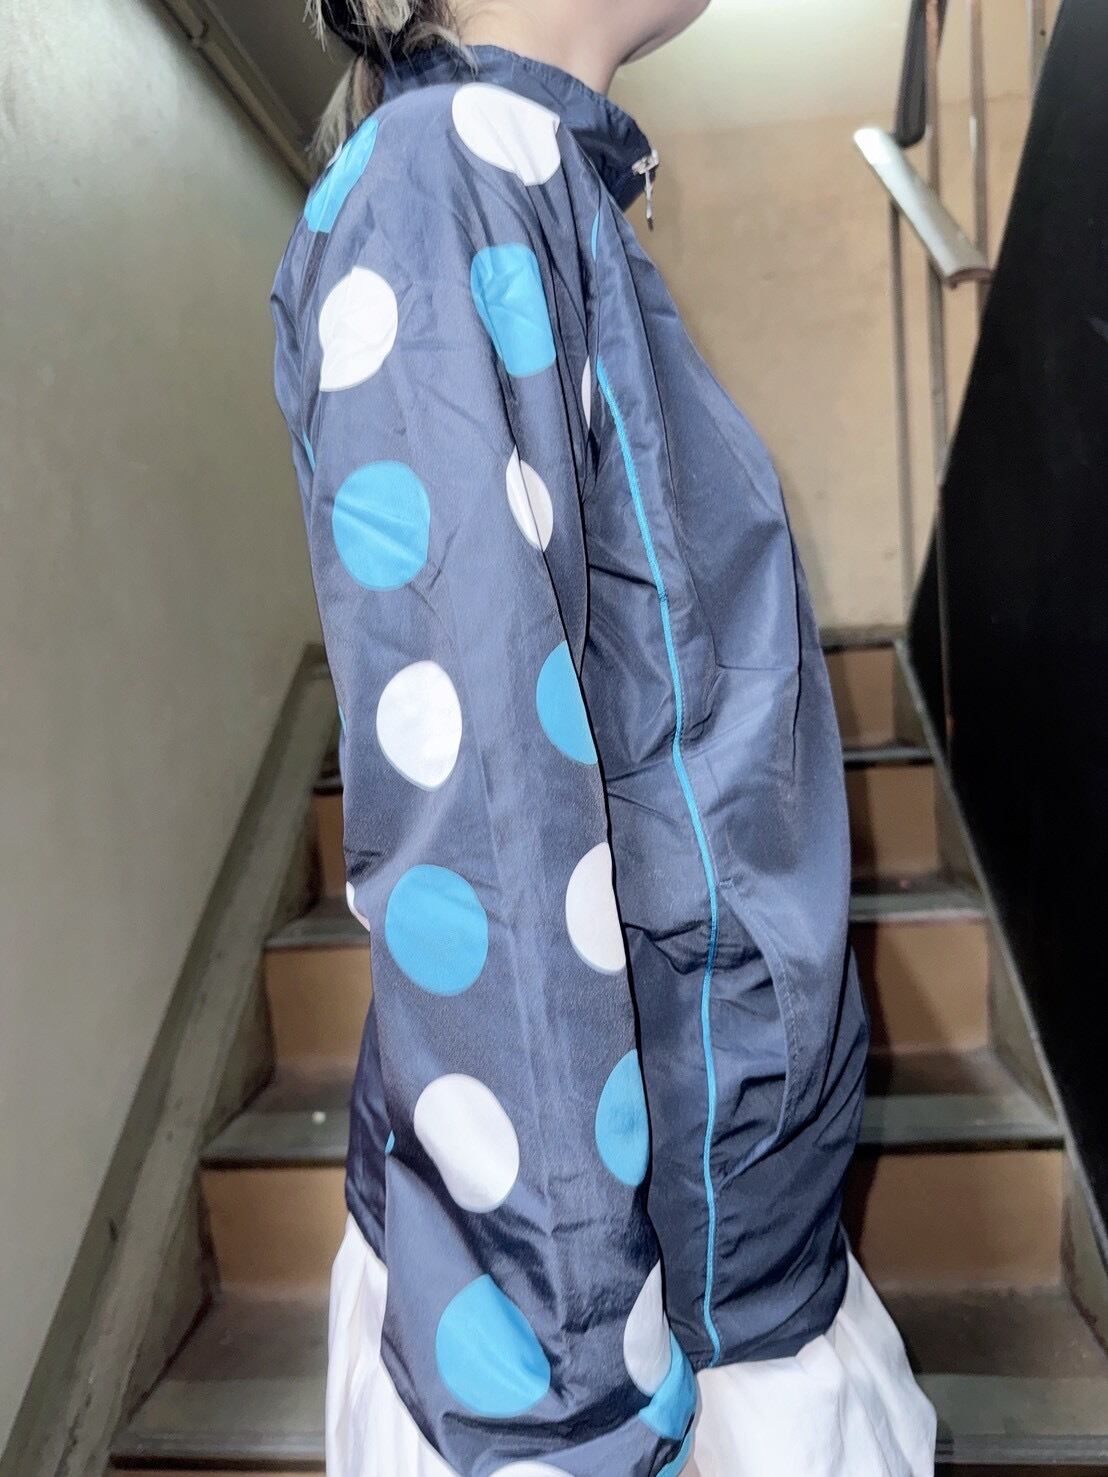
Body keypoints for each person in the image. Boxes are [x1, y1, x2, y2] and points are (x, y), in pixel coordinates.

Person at [271, 2, 938, 1472]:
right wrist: (569, 1421)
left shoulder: (524, 180)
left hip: (712, 1258)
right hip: (619, 1330)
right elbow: (491, 846)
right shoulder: (445, 180)